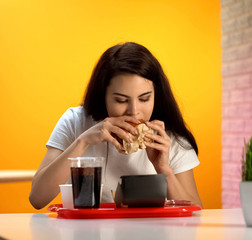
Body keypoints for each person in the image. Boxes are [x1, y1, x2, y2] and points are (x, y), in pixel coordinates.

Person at [29, 42, 202, 209]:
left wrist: (164, 169)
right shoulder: (75, 121)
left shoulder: (167, 135)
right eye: (121, 100)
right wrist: (83, 142)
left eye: (144, 98)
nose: (134, 111)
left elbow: (196, 212)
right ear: (103, 95)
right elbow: (37, 198)